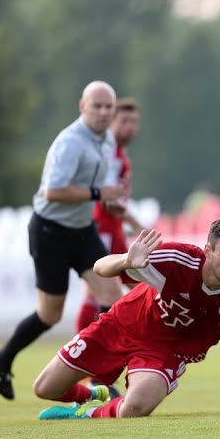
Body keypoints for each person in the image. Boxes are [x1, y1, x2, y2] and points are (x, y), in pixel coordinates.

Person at [34, 218, 220, 419]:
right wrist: (126, 261)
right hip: (121, 324)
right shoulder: (176, 259)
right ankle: (93, 395)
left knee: (134, 408)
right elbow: (101, 268)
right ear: (208, 250)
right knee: (44, 388)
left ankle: (87, 413)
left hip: (165, 351)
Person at [0, 81, 126, 401]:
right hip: (50, 232)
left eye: (109, 107)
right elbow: (53, 191)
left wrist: (106, 201)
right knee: (50, 315)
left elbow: (90, 185)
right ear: (82, 106)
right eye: (98, 106)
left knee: (112, 297)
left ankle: (98, 378)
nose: (105, 112)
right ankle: (2, 358)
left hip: (82, 229)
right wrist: (97, 194)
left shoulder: (105, 138)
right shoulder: (70, 142)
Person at [75, 97, 144, 336]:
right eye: (124, 120)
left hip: (113, 230)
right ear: (112, 121)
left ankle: (120, 345)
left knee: (138, 286)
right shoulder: (108, 152)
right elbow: (108, 200)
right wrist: (137, 225)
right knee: (98, 291)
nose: (129, 127)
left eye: (134, 121)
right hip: (100, 227)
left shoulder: (121, 155)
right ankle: (82, 353)